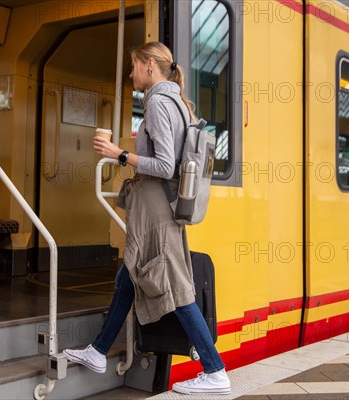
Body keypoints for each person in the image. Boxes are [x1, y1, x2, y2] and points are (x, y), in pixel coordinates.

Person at [63, 42, 231, 395]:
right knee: (132, 273)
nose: (131, 74)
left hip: (156, 208)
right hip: (163, 206)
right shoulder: (180, 102)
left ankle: (215, 369)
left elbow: (165, 165)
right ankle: (98, 350)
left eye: (134, 66)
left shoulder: (156, 102)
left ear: (150, 65)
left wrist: (119, 154)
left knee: (176, 289)